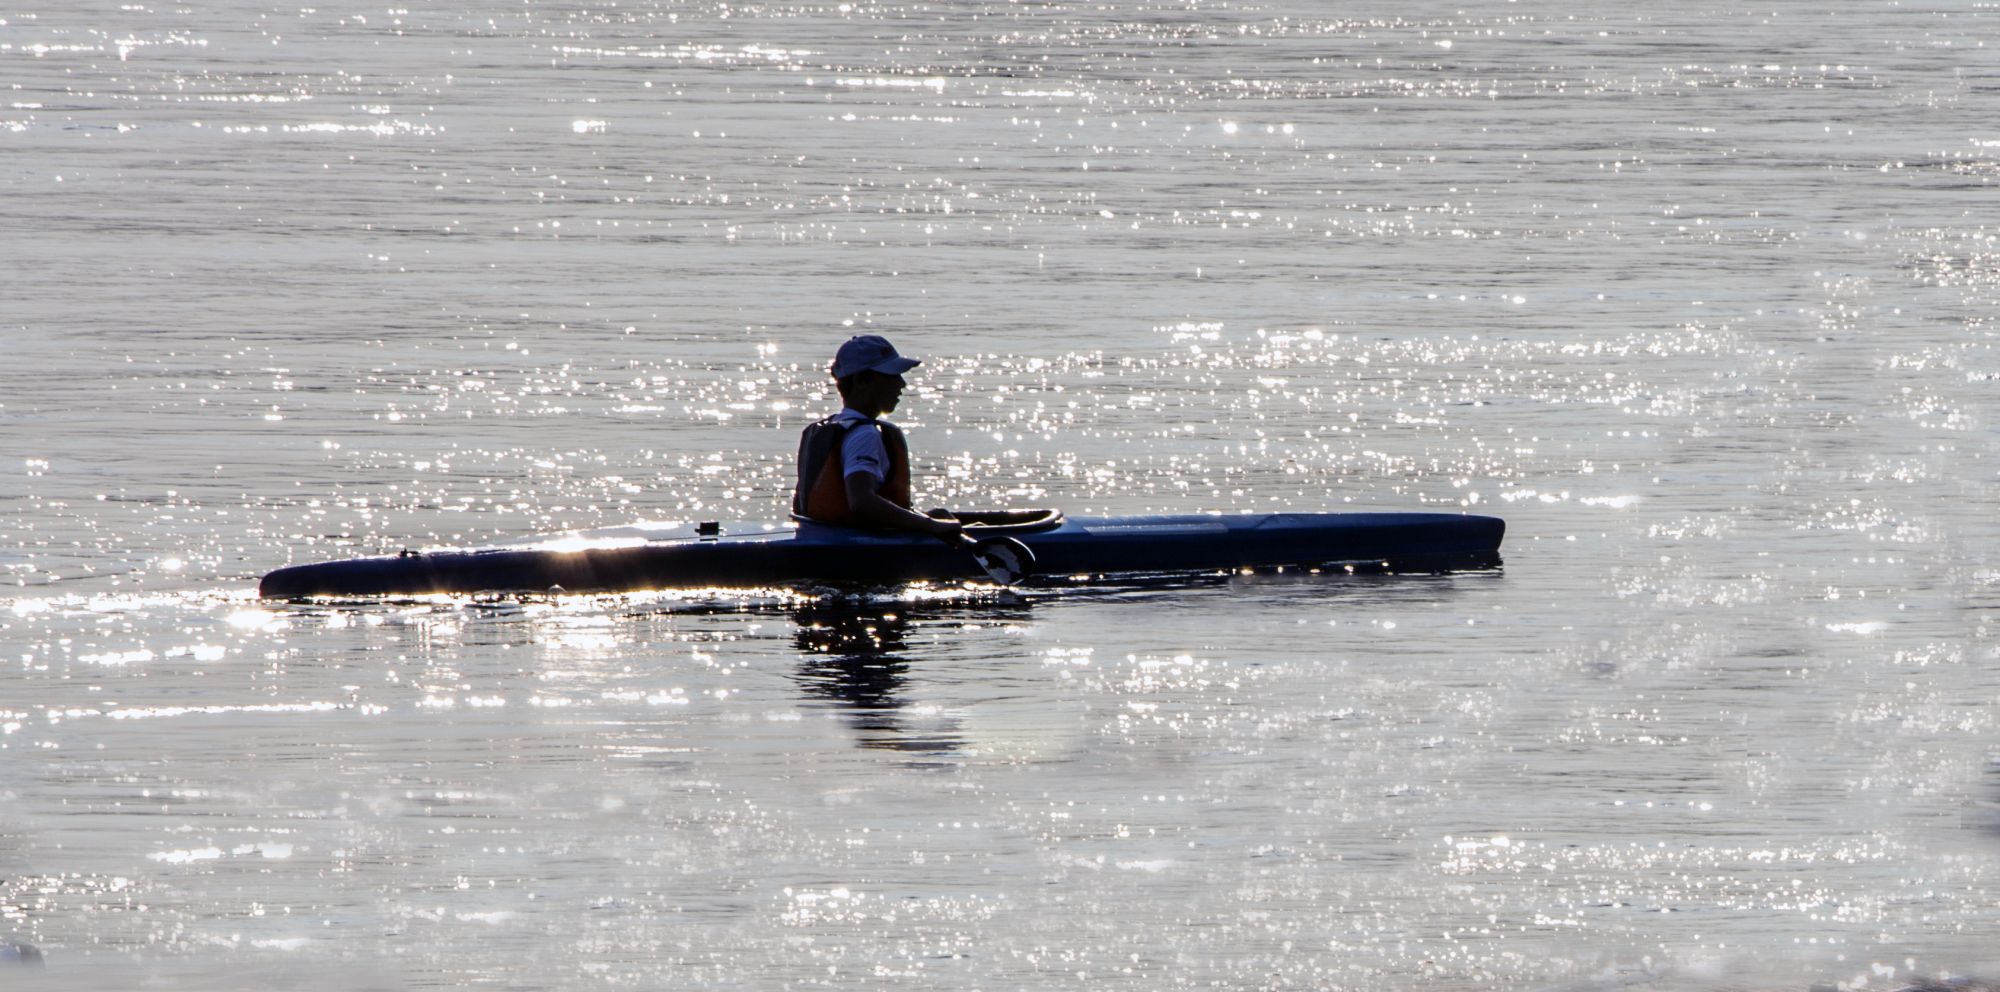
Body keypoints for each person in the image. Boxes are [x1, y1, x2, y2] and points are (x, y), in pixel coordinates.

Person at [793, 335, 963, 543]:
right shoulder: (864, 434)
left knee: (940, 513)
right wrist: (929, 525)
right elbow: (862, 503)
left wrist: (928, 518)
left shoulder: (828, 429)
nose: (901, 383)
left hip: (819, 537)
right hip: (855, 548)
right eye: (891, 375)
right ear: (861, 381)